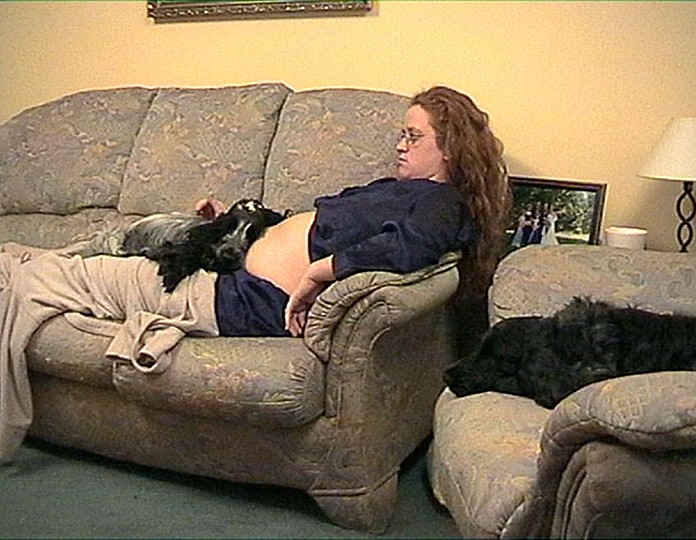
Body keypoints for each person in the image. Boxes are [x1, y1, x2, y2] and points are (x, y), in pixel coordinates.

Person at [0, 86, 509, 461]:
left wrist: (322, 271)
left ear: (451, 147)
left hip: (231, 296)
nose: (400, 144)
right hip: (222, 260)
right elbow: (309, 228)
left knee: (39, 281)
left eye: (413, 136)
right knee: (77, 260)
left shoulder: (441, 203)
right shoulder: (399, 190)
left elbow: (410, 247)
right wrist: (237, 223)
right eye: (401, 133)